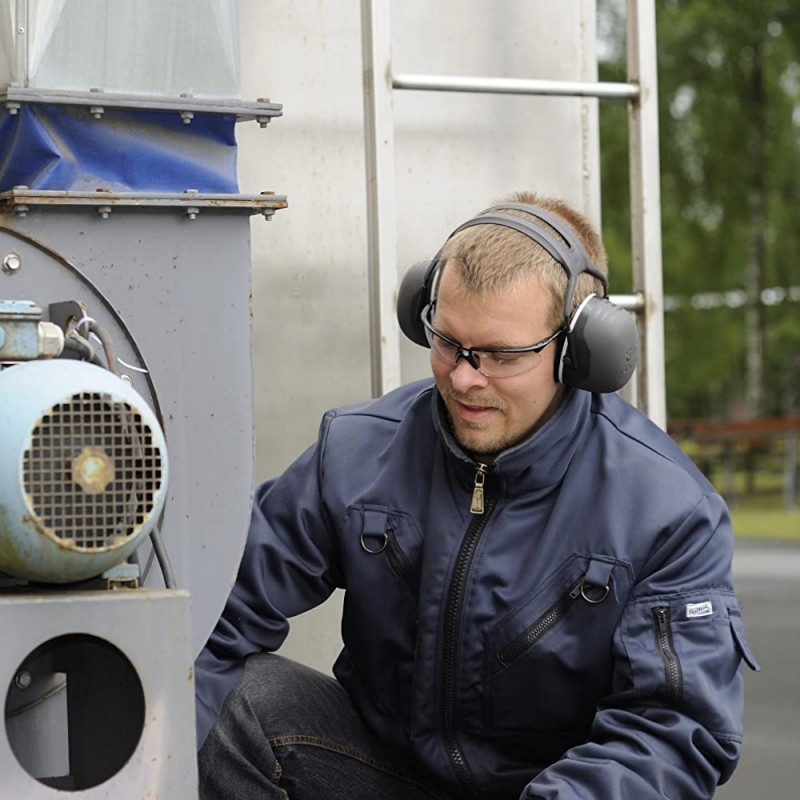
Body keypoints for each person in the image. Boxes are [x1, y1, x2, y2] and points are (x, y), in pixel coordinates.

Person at [194, 192, 759, 800]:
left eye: (501, 355)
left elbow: (672, 732)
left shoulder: (668, 513)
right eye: (448, 341)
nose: (463, 377)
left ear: (579, 351)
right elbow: (213, 619)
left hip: (552, 792)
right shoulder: (356, 453)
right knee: (240, 697)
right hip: (385, 773)